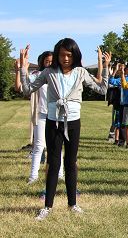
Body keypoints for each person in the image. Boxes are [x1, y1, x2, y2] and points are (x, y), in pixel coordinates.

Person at [19, 38, 110, 220]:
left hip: (73, 122)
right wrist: (23, 68)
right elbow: (27, 90)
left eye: (69, 55)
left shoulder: (80, 72)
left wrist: (106, 67)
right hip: (53, 122)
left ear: (74, 55)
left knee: (70, 162)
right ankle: (47, 206)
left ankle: (73, 204)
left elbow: (102, 89)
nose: (65, 58)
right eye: (62, 55)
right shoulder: (48, 72)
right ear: (57, 55)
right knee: (53, 163)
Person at [15, 50, 64, 184]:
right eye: (46, 61)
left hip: (56, 115)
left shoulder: (59, 74)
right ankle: (33, 177)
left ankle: (60, 175)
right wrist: (22, 66)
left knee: (57, 147)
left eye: (51, 61)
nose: (49, 63)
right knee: (39, 146)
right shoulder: (37, 75)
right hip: (41, 115)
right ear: (42, 62)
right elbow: (20, 87)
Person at [109, 61, 128, 148]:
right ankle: (123, 141)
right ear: (127, 69)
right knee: (125, 124)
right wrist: (115, 70)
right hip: (126, 104)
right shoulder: (123, 78)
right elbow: (111, 81)